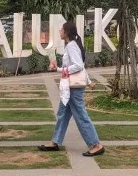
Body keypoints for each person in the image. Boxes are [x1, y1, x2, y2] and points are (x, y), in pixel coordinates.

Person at [39, 22, 105, 157]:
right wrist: (58, 69)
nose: (59, 31)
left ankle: (96, 144)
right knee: (62, 115)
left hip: (73, 88)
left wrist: (61, 70)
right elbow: (80, 65)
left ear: (66, 32)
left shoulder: (71, 46)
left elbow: (78, 66)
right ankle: (55, 141)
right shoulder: (73, 45)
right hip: (69, 88)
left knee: (81, 115)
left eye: (61, 29)